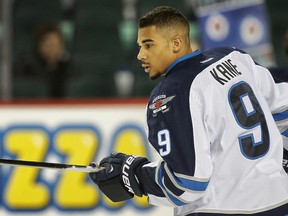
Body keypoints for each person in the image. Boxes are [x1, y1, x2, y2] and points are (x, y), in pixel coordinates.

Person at [89, 6, 288, 215]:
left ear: (176, 43)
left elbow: (188, 183)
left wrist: (134, 174)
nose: (140, 55)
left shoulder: (170, 94)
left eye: (149, 45)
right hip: (279, 201)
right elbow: (283, 107)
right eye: (140, 46)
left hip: (222, 209)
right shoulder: (233, 57)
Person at [13, 22, 78, 98]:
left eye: (56, 45)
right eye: (48, 45)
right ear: (39, 45)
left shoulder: (68, 67)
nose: (53, 49)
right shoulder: (27, 67)